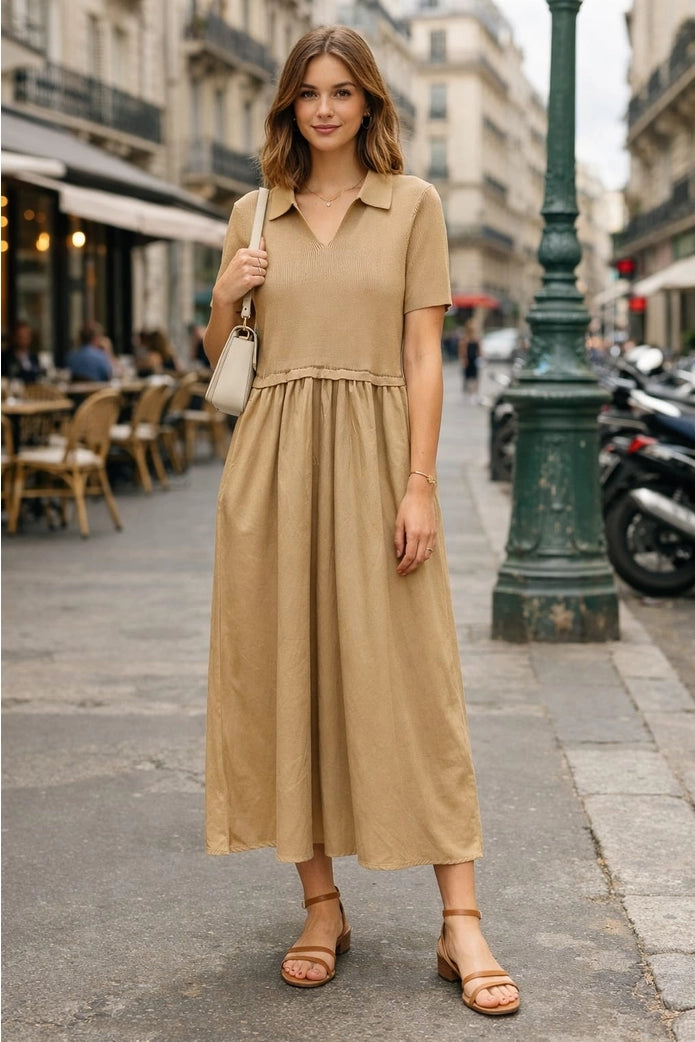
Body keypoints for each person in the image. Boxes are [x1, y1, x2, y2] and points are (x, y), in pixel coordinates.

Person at [203, 25, 519, 1017]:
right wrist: (224, 295)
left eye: (343, 91)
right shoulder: (255, 211)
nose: (326, 108)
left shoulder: (411, 206)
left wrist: (418, 481)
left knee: (416, 683)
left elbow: (422, 357)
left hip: (381, 459)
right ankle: (320, 903)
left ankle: (458, 918)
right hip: (274, 466)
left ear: (369, 103)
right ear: (289, 106)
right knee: (283, 679)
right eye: (310, 93)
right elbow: (219, 362)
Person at [459, 319, 480, 397]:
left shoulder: (476, 339)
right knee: (468, 377)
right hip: (468, 360)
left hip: (474, 359)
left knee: (474, 377)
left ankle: (473, 392)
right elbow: (462, 350)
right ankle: (468, 392)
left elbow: (479, 350)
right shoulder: (465, 339)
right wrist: (464, 359)